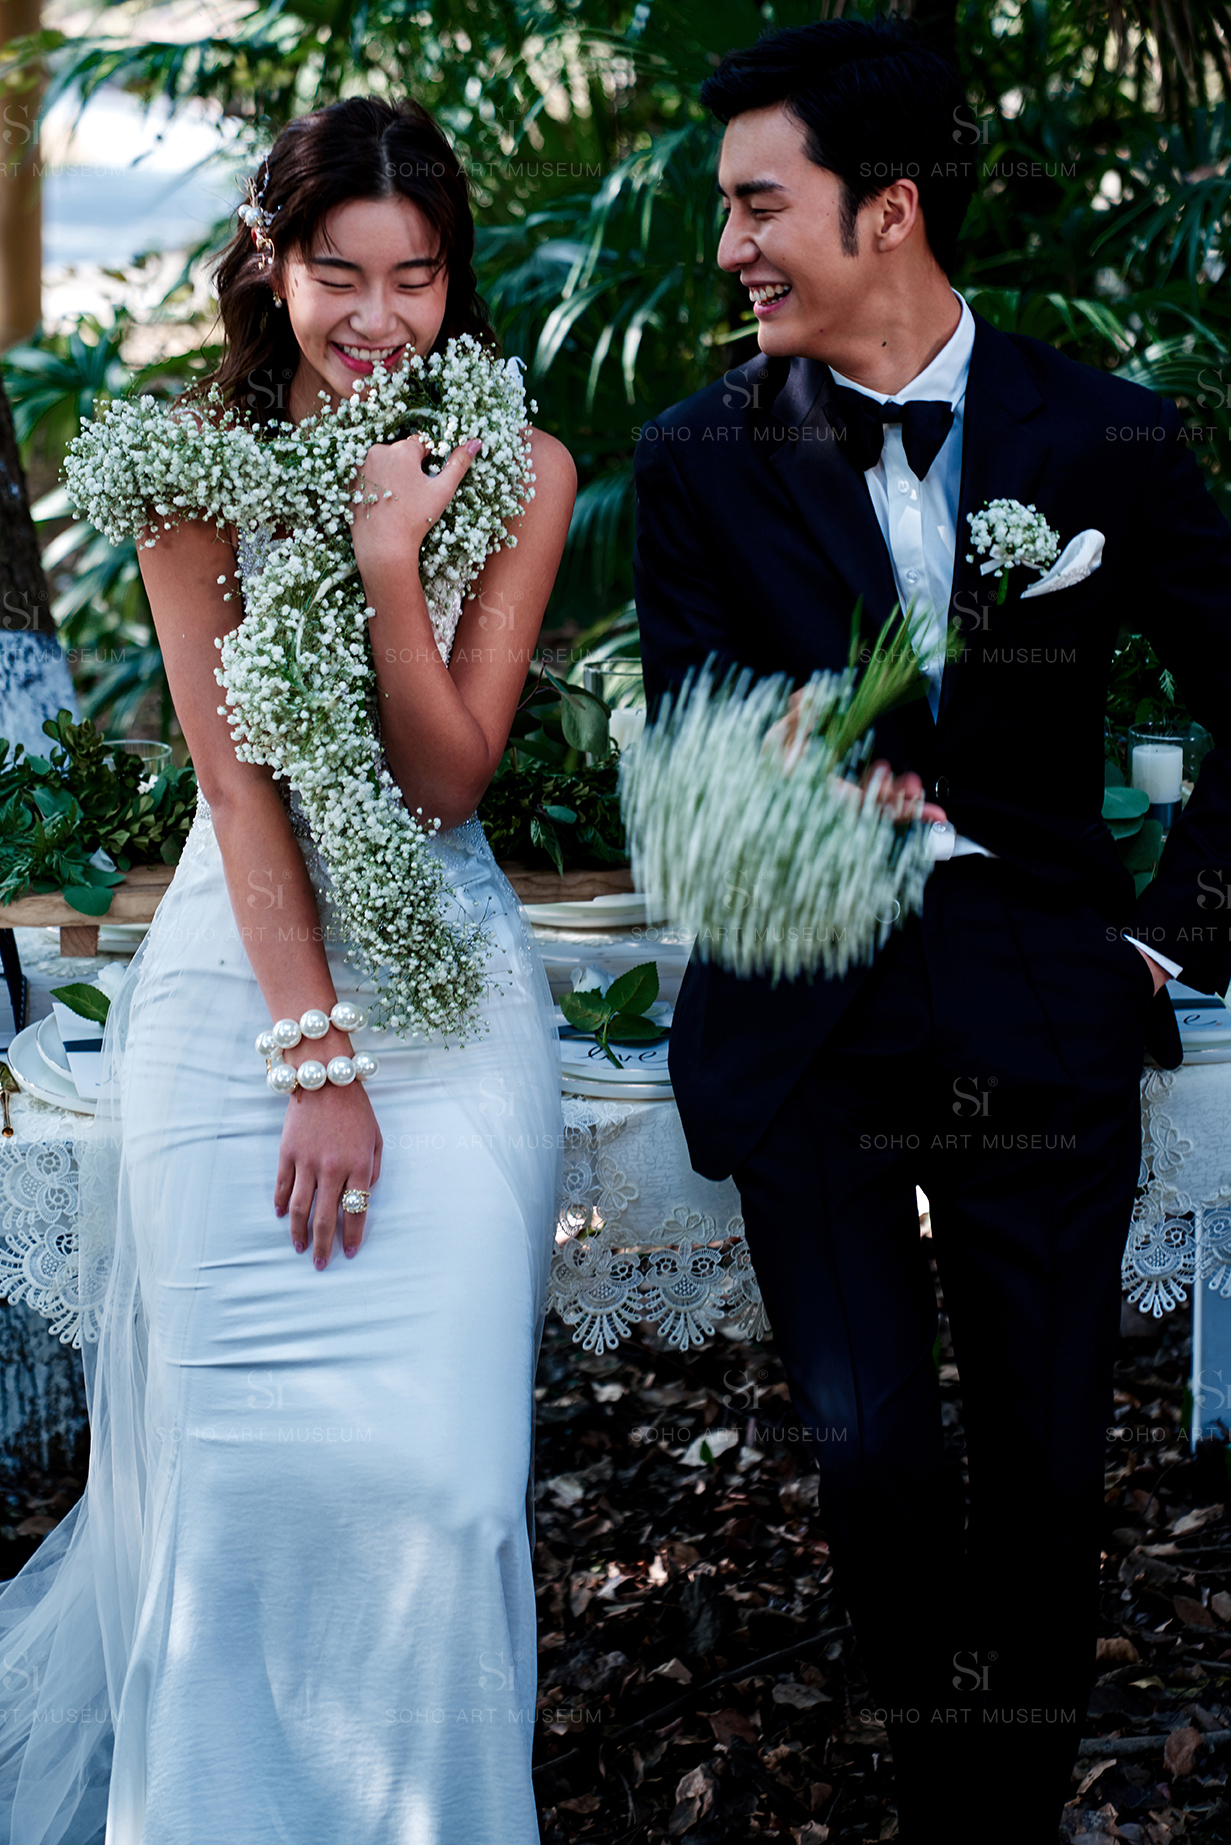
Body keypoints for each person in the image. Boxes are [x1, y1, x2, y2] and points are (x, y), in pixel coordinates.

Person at [633, 18, 1231, 1843]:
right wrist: (786, 771)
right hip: (807, 1009)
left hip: (1039, 991)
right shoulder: (696, 456)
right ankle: (943, 1797)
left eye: (760, 206)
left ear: (886, 209)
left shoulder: (1106, 433)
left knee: (1046, 1466)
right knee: (873, 1450)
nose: (730, 246)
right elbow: (691, 729)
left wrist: (1165, 940)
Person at [0, 95, 575, 1844]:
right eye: (341, 274)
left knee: (447, 1487)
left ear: (454, 280)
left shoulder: (522, 470)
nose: (379, 316)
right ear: (273, 265)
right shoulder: (189, 471)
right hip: (242, 1002)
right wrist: (313, 1060)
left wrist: (391, 557)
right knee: (239, 1501)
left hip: (448, 991)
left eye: (417, 276)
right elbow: (239, 789)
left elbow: (448, 779)